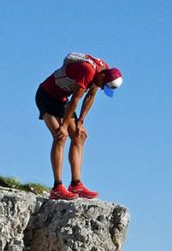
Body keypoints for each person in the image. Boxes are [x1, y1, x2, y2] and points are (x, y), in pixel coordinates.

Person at [35, 53, 123, 200]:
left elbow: (91, 96)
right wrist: (63, 126)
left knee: (79, 135)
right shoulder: (88, 71)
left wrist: (80, 121)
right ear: (102, 77)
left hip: (61, 99)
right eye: (103, 85)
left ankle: (76, 184)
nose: (102, 88)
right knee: (60, 136)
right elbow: (75, 100)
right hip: (46, 95)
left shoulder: (102, 73)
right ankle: (57, 187)